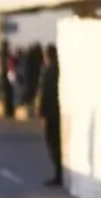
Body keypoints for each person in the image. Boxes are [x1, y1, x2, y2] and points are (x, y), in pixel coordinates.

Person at [39, 43, 62, 187]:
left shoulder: (50, 72)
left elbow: (46, 95)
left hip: (51, 113)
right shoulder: (55, 70)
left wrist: (43, 113)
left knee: (53, 143)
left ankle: (59, 173)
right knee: (54, 144)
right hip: (54, 112)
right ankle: (58, 172)